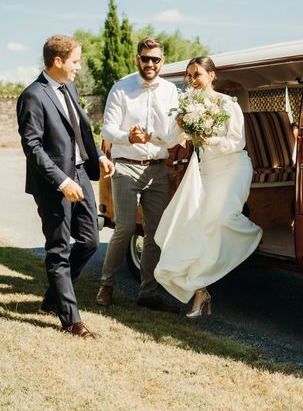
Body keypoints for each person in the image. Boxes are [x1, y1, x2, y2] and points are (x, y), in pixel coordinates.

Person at [16, 35, 114, 338]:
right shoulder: (32, 95)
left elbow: (80, 129)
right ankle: (71, 320)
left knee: (89, 242)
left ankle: (52, 297)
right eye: (75, 61)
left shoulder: (69, 87)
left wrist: (97, 155)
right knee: (58, 250)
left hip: (82, 173)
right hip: (53, 184)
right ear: (57, 61)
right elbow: (32, 148)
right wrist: (61, 180)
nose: (79, 67)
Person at [154, 56, 263, 318]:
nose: (192, 80)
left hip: (233, 167)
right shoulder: (188, 105)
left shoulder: (227, 103)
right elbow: (171, 141)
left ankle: (253, 234)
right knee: (194, 228)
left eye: (197, 74)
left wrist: (207, 138)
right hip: (206, 171)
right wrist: (150, 136)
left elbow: (236, 142)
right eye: (189, 75)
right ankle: (200, 291)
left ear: (212, 76)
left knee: (222, 218)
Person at [96, 37, 182, 313]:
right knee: (124, 228)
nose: (150, 64)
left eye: (155, 59)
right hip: (127, 165)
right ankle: (106, 285)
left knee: (156, 233)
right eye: (145, 58)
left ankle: (148, 293)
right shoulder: (121, 88)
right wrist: (127, 137)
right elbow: (107, 129)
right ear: (138, 59)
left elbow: (173, 132)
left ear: (162, 62)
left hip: (158, 169)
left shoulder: (171, 91)